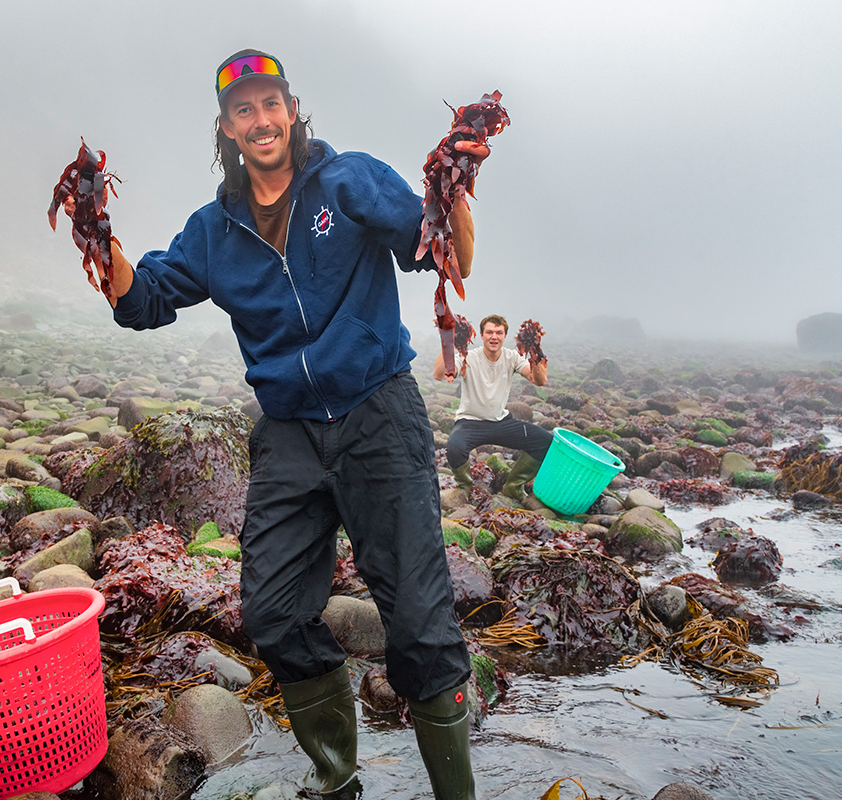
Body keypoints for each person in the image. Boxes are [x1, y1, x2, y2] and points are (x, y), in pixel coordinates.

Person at [96, 49, 485, 800]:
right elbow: (139, 301)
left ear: (291, 109)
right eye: (243, 109)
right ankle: (338, 779)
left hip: (378, 414)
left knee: (421, 621)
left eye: (270, 103)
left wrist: (457, 184)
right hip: (289, 433)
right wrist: (95, 227)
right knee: (272, 613)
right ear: (227, 129)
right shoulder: (214, 231)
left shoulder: (348, 180)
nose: (261, 118)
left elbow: (445, 253)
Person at [432, 314, 551, 506]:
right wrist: (449, 341)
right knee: (454, 447)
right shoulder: (467, 356)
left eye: (498, 333)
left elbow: (540, 380)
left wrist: (534, 349)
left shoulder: (512, 357)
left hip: (500, 422)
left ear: (505, 336)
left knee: (545, 442)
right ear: (481, 335)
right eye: (489, 332)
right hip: (470, 422)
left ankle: (513, 486)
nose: (494, 337)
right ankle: (464, 487)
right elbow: (439, 375)